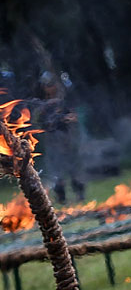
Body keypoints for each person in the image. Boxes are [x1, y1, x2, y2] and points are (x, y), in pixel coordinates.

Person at [29, 71, 85, 204]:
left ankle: (80, 195)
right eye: (47, 85)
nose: (50, 87)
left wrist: (68, 118)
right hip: (53, 139)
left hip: (66, 137)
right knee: (57, 170)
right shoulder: (42, 106)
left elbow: (73, 116)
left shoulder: (63, 102)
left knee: (73, 167)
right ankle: (62, 198)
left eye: (51, 84)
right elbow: (39, 123)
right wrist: (52, 121)